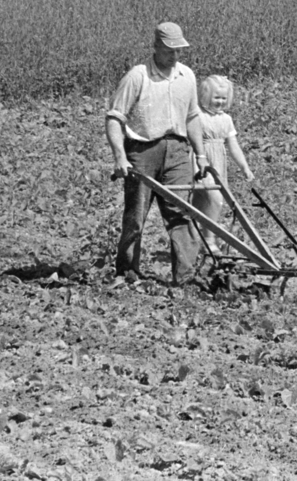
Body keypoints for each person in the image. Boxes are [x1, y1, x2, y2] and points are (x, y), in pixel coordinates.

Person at [105, 21, 207, 286]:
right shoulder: (138, 76)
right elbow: (115, 118)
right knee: (136, 216)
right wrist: (120, 156)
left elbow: (192, 117)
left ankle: (185, 278)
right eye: (169, 50)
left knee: (181, 213)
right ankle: (127, 273)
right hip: (143, 151)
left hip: (178, 151)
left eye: (178, 50)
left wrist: (201, 156)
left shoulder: (186, 76)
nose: (175, 56)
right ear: (156, 46)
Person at [191, 75, 256, 253]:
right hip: (201, 161)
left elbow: (233, 146)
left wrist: (244, 167)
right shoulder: (197, 115)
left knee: (207, 201)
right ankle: (207, 240)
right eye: (216, 98)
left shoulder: (226, 119)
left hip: (217, 163)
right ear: (205, 96)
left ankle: (203, 238)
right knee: (213, 199)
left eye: (223, 98)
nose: (220, 102)